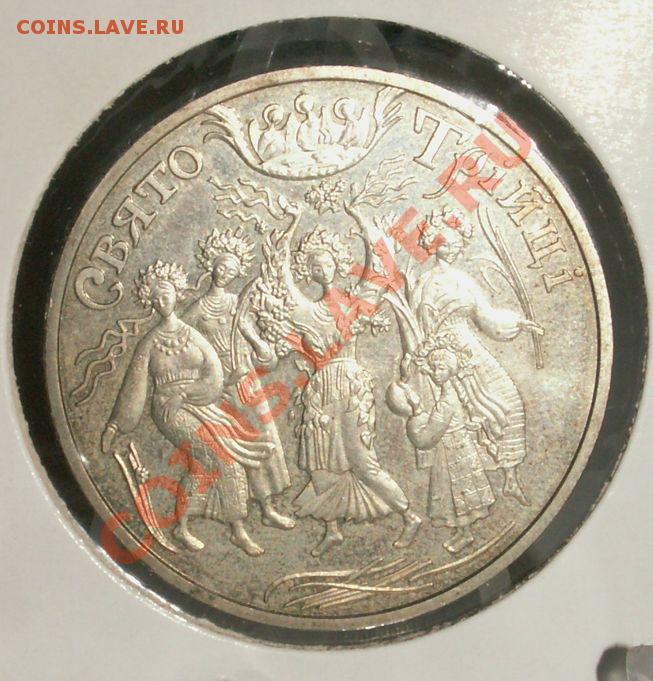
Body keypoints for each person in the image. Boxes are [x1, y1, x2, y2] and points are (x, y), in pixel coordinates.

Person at [255, 200, 422, 557]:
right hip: (319, 393)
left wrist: (361, 217)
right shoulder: (304, 310)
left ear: (338, 264)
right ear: (308, 271)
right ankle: (332, 530)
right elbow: (277, 277)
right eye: (315, 265)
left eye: (328, 263)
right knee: (321, 465)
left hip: (350, 385)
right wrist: (293, 222)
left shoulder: (354, 302)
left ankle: (409, 515)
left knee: (363, 461)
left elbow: (380, 267)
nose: (323, 269)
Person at [100, 260, 271, 556]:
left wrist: (190, 392)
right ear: (151, 303)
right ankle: (234, 530)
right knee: (220, 457)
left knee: (211, 463)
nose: (161, 301)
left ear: (177, 294)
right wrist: (116, 426)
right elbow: (134, 390)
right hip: (169, 410)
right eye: (156, 298)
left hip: (200, 402)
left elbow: (213, 374)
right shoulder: (149, 343)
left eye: (165, 295)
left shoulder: (192, 335)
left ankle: (194, 527)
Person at [403, 208, 543, 505]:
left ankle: (510, 478)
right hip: (442, 359)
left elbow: (487, 318)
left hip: (471, 351)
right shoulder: (424, 284)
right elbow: (416, 329)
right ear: (433, 244)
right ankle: (467, 493)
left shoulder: (463, 280)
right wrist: (421, 365)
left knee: (509, 401)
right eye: (446, 242)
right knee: (460, 421)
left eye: (456, 242)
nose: (452, 247)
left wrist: (519, 323)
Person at [183, 227, 294, 530]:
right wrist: (209, 378)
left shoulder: (236, 304)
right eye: (222, 267)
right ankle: (236, 518)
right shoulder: (196, 310)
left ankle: (267, 507)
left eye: (232, 271)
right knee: (234, 447)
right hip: (218, 388)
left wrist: (257, 343)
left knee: (262, 439)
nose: (225, 274)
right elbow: (186, 350)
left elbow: (258, 345)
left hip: (246, 382)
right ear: (212, 266)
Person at [388, 334, 498, 553]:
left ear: (451, 370)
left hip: (453, 453)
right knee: (457, 494)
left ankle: (466, 534)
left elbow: (425, 439)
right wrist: (409, 377)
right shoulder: (451, 393)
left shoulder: (446, 402)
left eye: (440, 369)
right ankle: (462, 532)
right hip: (456, 449)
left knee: (458, 493)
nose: (435, 372)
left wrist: (415, 413)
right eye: (434, 368)